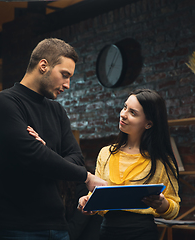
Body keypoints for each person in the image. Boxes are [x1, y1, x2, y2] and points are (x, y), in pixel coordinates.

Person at [0, 38, 107, 240]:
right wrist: (86, 176)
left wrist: (45, 152)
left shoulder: (57, 110)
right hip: (14, 227)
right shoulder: (4, 103)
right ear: (43, 66)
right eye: (64, 75)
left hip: (57, 226)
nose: (67, 85)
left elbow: (75, 157)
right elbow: (33, 156)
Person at [77, 89, 181, 240]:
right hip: (108, 231)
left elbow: (174, 209)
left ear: (148, 124)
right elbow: (97, 197)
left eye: (133, 112)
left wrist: (162, 204)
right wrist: (87, 202)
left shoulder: (162, 161)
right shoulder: (106, 154)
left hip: (142, 233)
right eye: (124, 107)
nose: (123, 114)